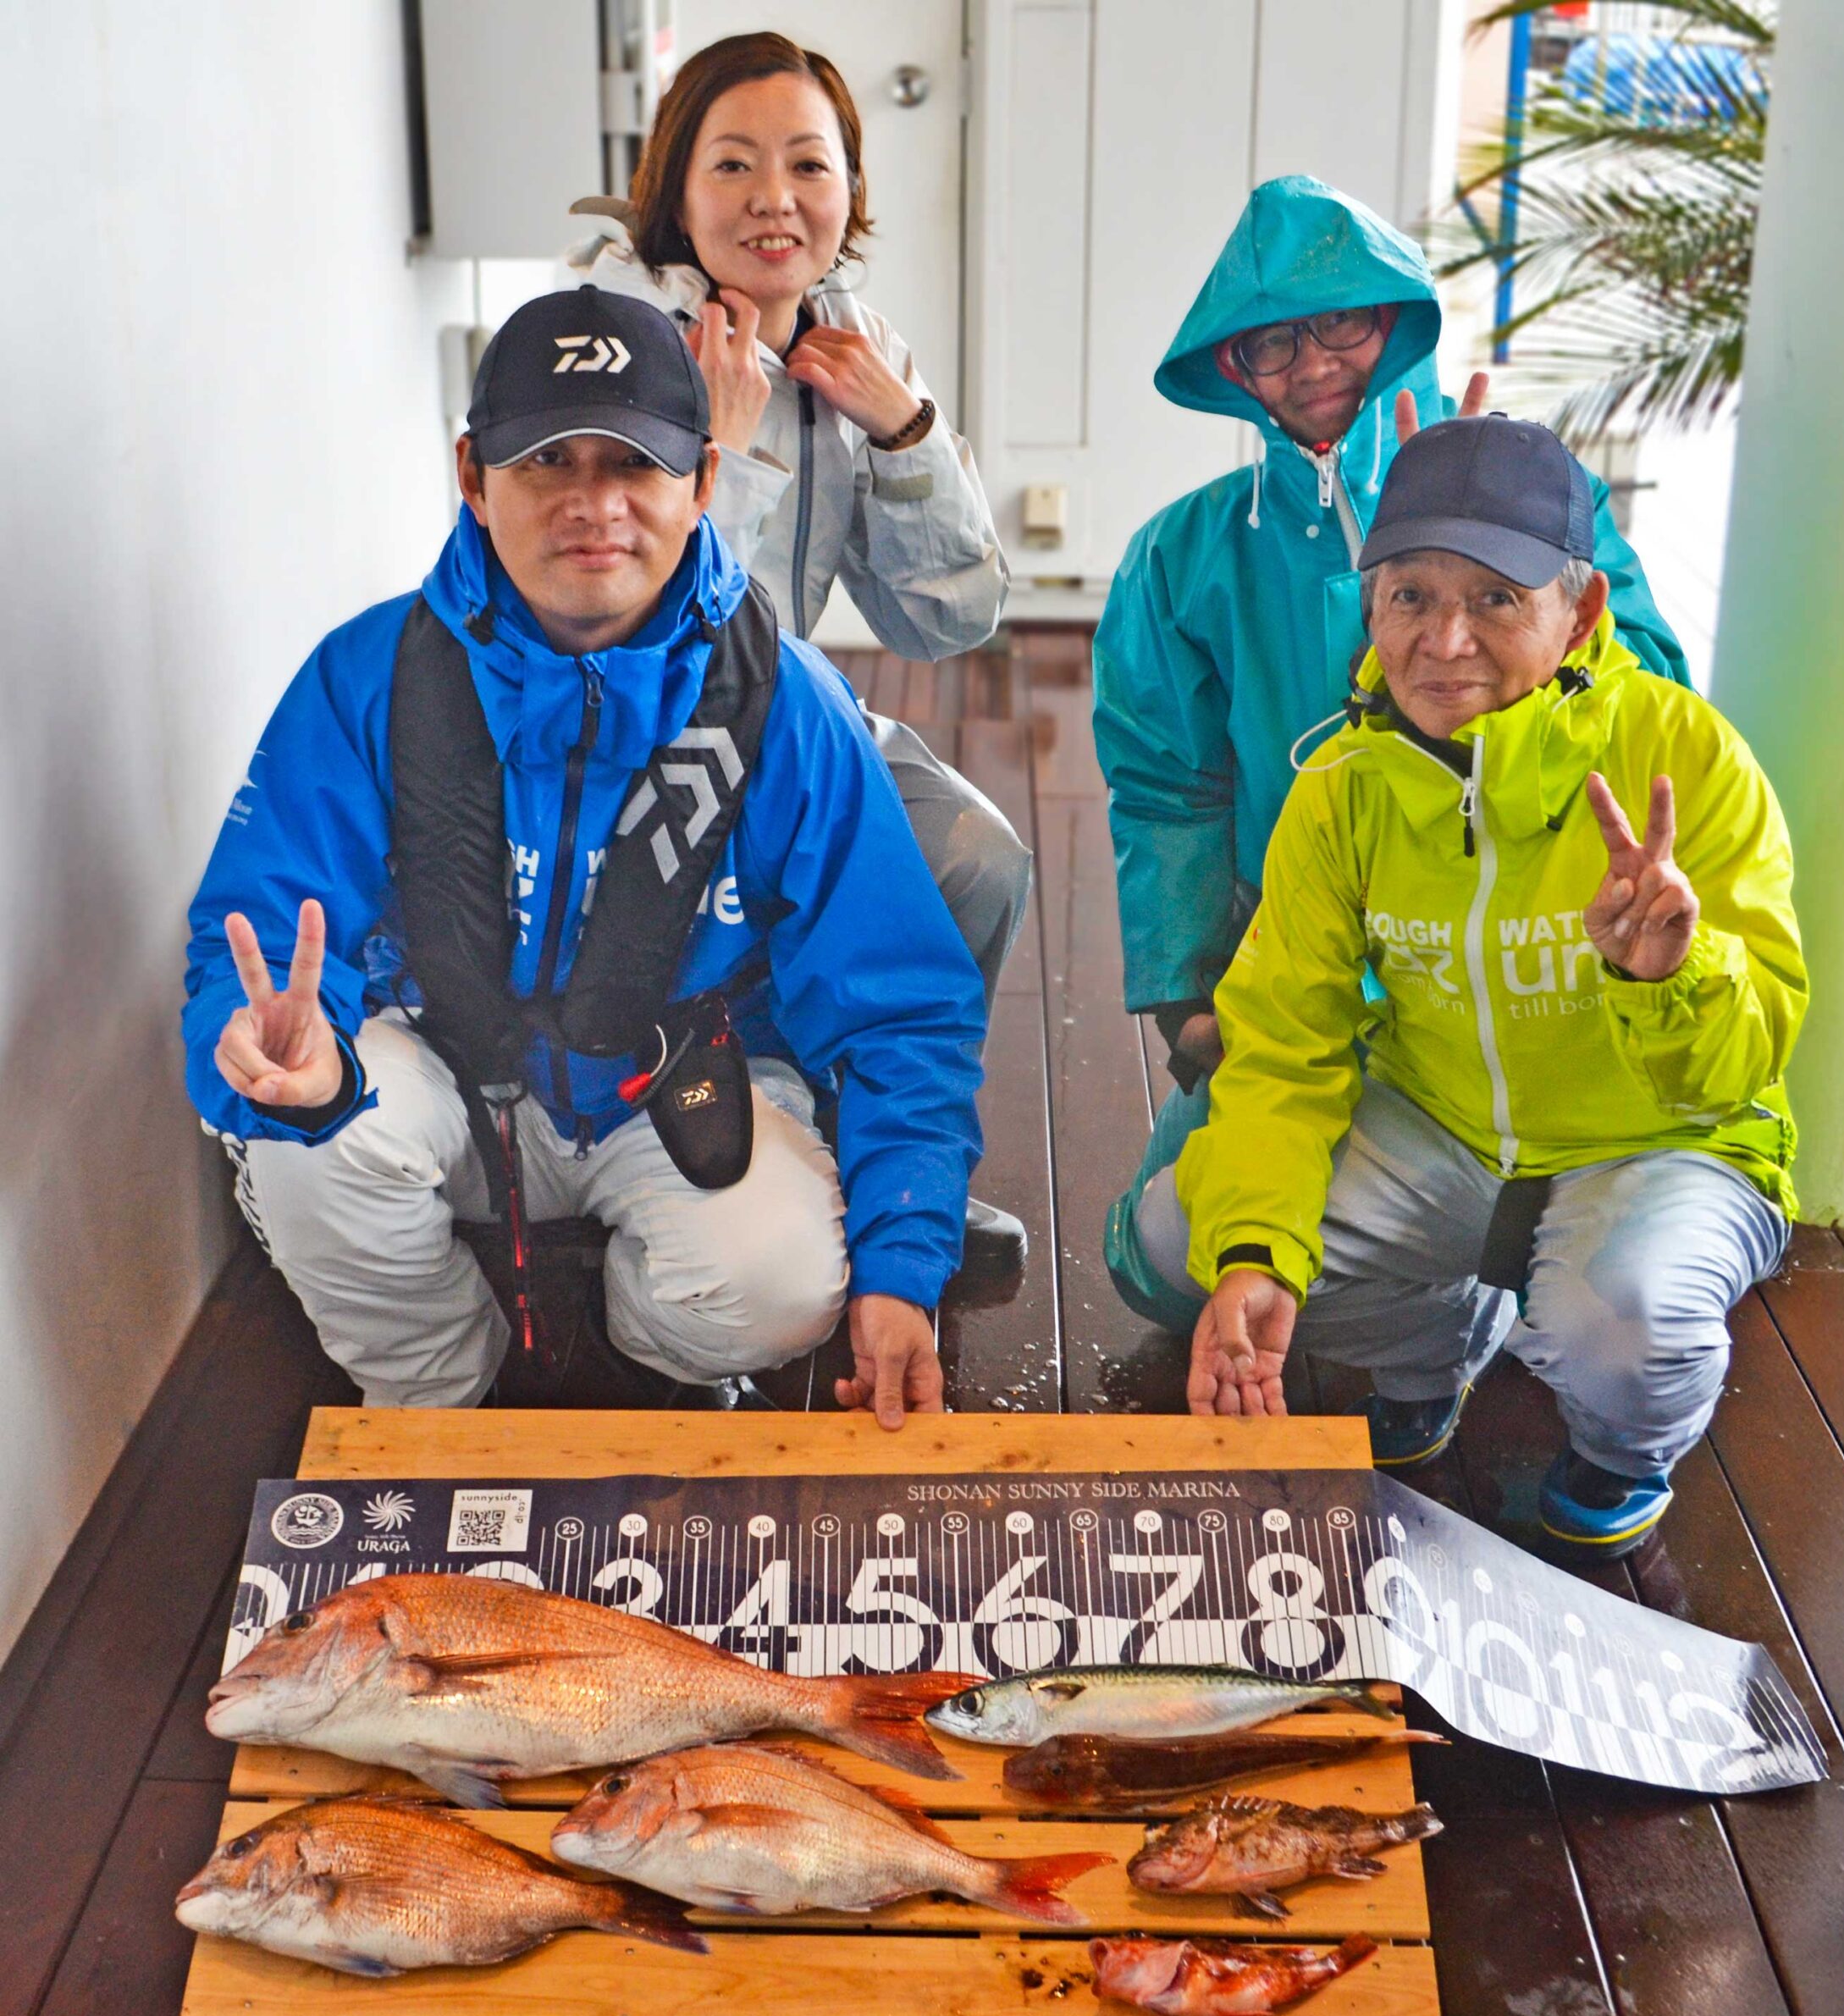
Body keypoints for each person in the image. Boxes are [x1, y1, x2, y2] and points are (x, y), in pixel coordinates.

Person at [181, 284, 986, 1428]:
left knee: (780, 1285)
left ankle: (626, 1355)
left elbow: (902, 1008)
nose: (593, 506)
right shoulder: (367, 675)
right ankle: (443, 1398)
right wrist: (289, 1067)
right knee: (301, 1145)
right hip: (438, 1074)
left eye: (635, 465)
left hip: (676, 1079)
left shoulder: (788, 705)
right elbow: (250, 938)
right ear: (473, 475)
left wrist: (905, 1268)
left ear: (705, 480)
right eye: (548, 462)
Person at [1136, 414, 1803, 1560]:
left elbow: (1748, 1069)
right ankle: (1430, 1354)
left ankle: (1615, 1450)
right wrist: (1255, 1254)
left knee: (1626, 1325)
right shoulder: (1344, 781)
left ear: (1581, 610)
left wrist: (1673, 972)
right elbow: (1286, 1043)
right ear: (1371, 604)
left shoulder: (1682, 757)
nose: (1445, 641)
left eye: (1496, 599)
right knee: (1182, 1233)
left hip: (1659, 1140)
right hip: (1446, 1123)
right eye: (1409, 597)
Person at [1093, 176, 1688, 1331]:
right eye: (1269, 340)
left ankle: (1509, 1267)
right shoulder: (1180, 558)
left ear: (1401, 324)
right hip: (1304, 952)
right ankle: (1437, 1309)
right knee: (1165, 1261)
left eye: (1345, 323)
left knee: (1557, 1228)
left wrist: (1500, 557)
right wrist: (1192, 1002)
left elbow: (1651, 684)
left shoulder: (1535, 497)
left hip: (1512, 946)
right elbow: (1166, 786)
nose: (1312, 362)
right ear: (1231, 367)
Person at [573, 30, 1028, 1273]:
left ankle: (890, 1161)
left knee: (977, 857)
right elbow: (639, 640)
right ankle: (750, 1164)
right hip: (619, 751)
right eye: (734, 165)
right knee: (760, 903)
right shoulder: (609, 345)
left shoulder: (851, 342)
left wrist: (908, 430)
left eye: (808, 166)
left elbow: (952, 620)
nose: (776, 199)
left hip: (792, 723)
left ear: (849, 193)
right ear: (676, 188)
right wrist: (739, 450)